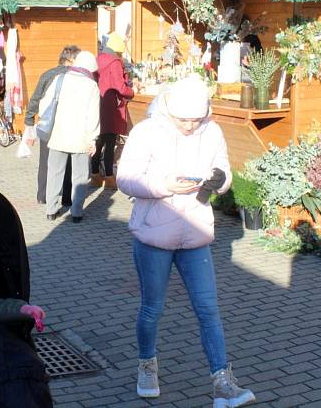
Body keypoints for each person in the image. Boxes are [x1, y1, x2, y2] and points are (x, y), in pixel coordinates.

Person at [116, 76, 255, 407]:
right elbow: (125, 178)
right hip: (154, 233)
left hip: (195, 233)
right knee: (152, 307)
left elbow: (222, 168)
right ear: (168, 109)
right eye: (184, 120)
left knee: (208, 309)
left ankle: (223, 383)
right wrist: (164, 185)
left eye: (197, 118)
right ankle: (147, 365)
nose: (191, 125)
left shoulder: (213, 131)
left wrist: (220, 180)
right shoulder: (146, 131)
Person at [38, 50, 100, 223]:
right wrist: (93, 139)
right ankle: (76, 211)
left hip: (58, 134)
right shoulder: (91, 86)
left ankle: (51, 210)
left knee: (54, 172)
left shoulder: (60, 79)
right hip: (81, 137)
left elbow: (44, 105)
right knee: (80, 176)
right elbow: (93, 116)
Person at [25, 45, 79, 206]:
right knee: (67, 161)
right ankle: (66, 197)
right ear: (70, 60)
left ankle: (42, 195)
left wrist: (29, 120)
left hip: (47, 123)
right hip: (67, 124)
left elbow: (35, 99)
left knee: (45, 161)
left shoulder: (47, 75)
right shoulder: (75, 77)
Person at [91, 33, 134, 190]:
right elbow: (120, 87)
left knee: (98, 142)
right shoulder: (115, 62)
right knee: (109, 144)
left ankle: (95, 176)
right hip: (110, 108)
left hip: (97, 104)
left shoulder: (97, 60)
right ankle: (109, 178)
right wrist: (131, 91)